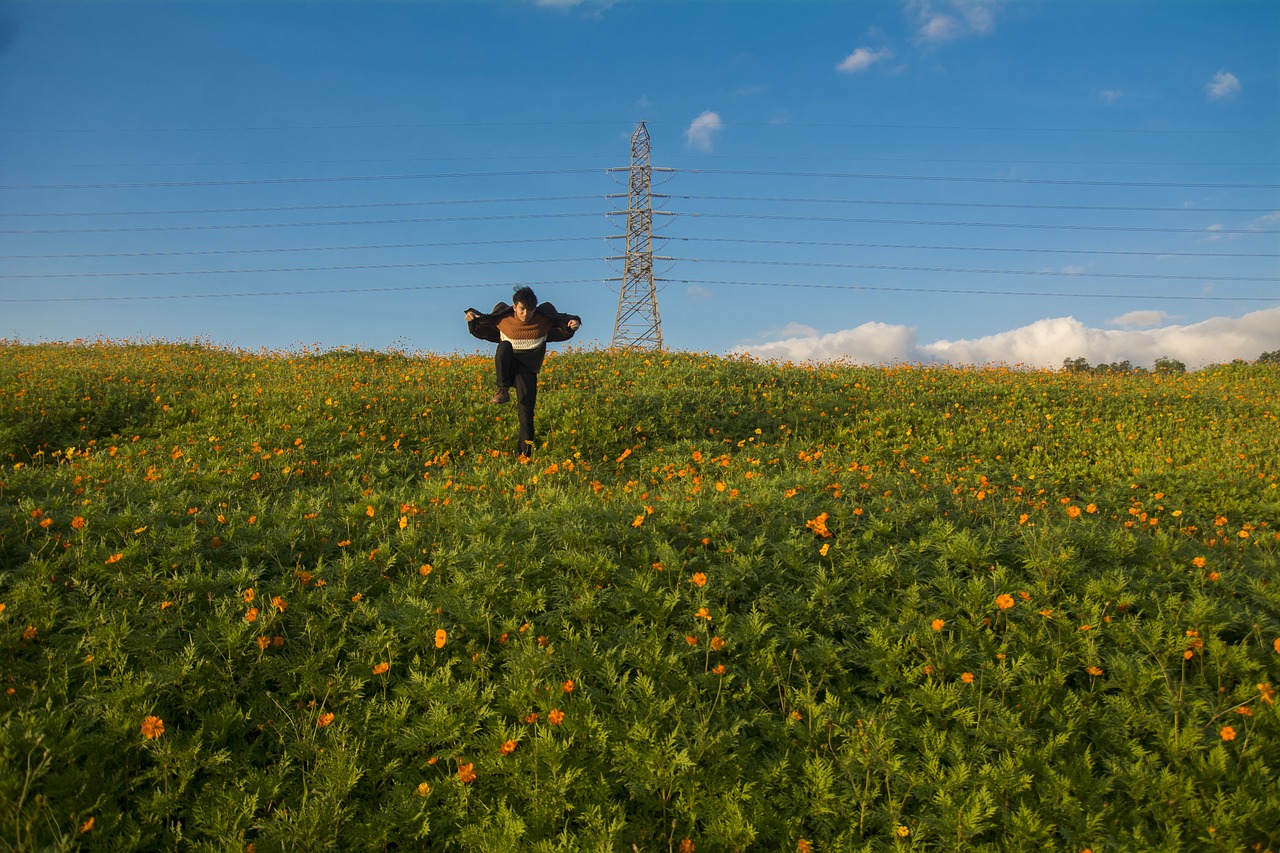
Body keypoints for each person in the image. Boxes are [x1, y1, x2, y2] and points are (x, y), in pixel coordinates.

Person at [464, 287, 581, 458]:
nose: (526, 314)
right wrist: (471, 315)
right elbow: (482, 319)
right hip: (508, 365)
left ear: (535, 308)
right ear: (514, 307)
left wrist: (574, 323)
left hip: (527, 370)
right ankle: (502, 389)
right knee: (504, 346)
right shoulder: (503, 318)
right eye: (522, 309)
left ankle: (524, 456)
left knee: (526, 412)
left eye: (530, 310)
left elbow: (564, 319)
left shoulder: (543, 319)